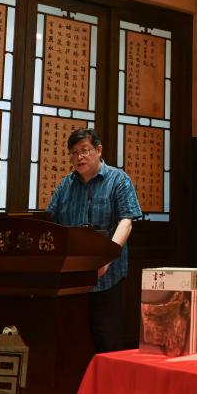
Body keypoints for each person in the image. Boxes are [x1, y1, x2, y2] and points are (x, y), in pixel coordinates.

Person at [47, 128, 142, 353]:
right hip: (71, 278)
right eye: (73, 153)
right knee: (73, 341)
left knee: (106, 339)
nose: (78, 157)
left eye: (84, 150)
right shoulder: (65, 185)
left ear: (98, 150)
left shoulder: (118, 179)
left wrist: (107, 257)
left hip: (106, 274)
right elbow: (51, 223)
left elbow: (126, 222)